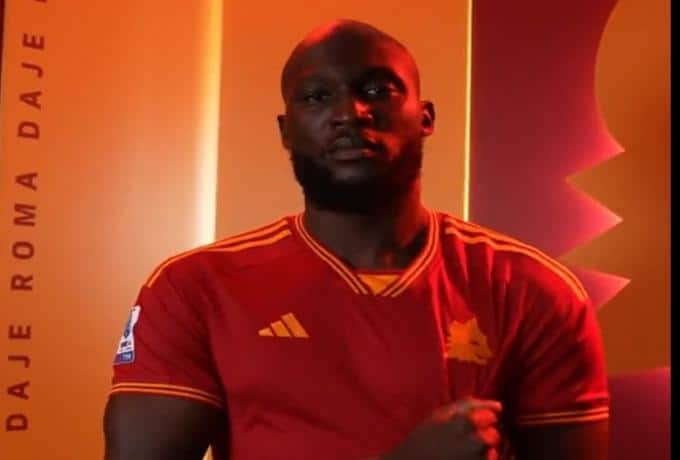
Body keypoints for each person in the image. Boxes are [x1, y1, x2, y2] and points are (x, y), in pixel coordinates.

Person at [103, 19, 609, 460]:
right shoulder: (193, 288)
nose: (350, 112)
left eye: (378, 90)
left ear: (425, 118)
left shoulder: (532, 290)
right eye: (317, 96)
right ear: (286, 130)